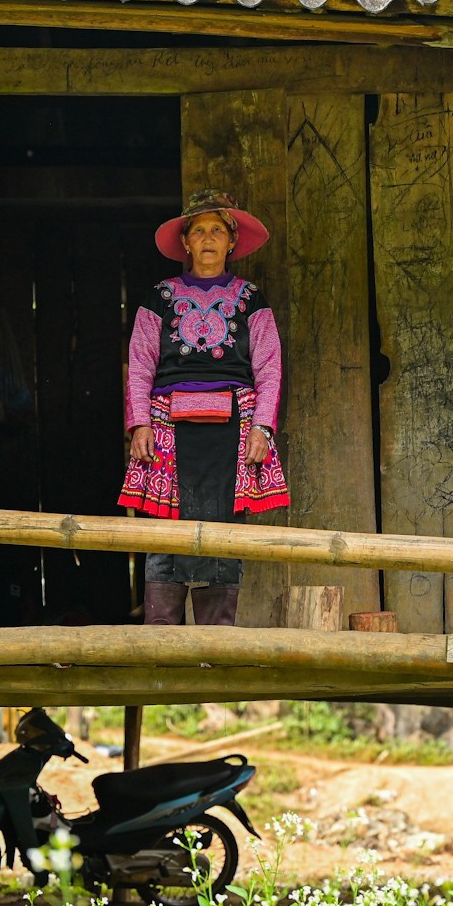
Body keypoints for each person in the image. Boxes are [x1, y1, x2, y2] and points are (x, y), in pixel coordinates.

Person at [118, 189, 287, 625]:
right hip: (166, 423)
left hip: (237, 423)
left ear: (231, 242)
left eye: (217, 230)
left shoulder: (251, 299)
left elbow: (268, 367)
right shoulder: (159, 297)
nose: (208, 238)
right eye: (199, 230)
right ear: (186, 243)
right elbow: (139, 365)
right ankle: (162, 638)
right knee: (163, 523)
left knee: (225, 529)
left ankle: (216, 638)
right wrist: (139, 425)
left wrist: (263, 428)